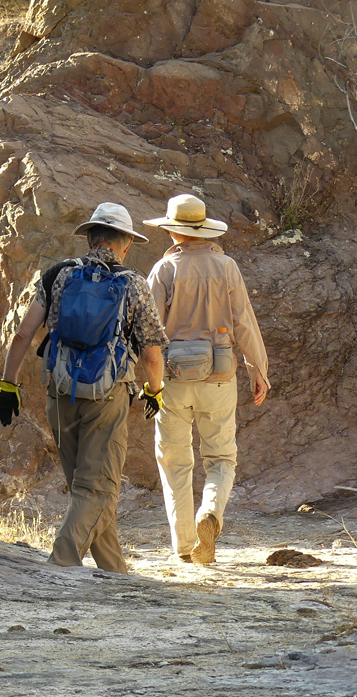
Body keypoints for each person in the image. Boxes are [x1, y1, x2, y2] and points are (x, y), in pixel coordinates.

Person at [0, 202, 168, 574]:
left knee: (85, 487)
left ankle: (113, 571)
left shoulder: (58, 275)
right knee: (98, 488)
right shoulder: (133, 283)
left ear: (89, 238)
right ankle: (60, 564)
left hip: (60, 390)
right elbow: (152, 355)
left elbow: (24, 334)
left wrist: (8, 384)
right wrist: (156, 390)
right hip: (108, 396)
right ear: (126, 244)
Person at [144, 194, 269, 564]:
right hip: (220, 378)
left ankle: (185, 547)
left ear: (171, 231)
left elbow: (149, 333)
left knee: (174, 461)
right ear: (203, 230)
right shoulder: (227, 267)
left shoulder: (163, 271)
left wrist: (149, 383)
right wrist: (257, 370)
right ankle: (209, 513)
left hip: (173, 381)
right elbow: (244, 321)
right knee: (221, 458)